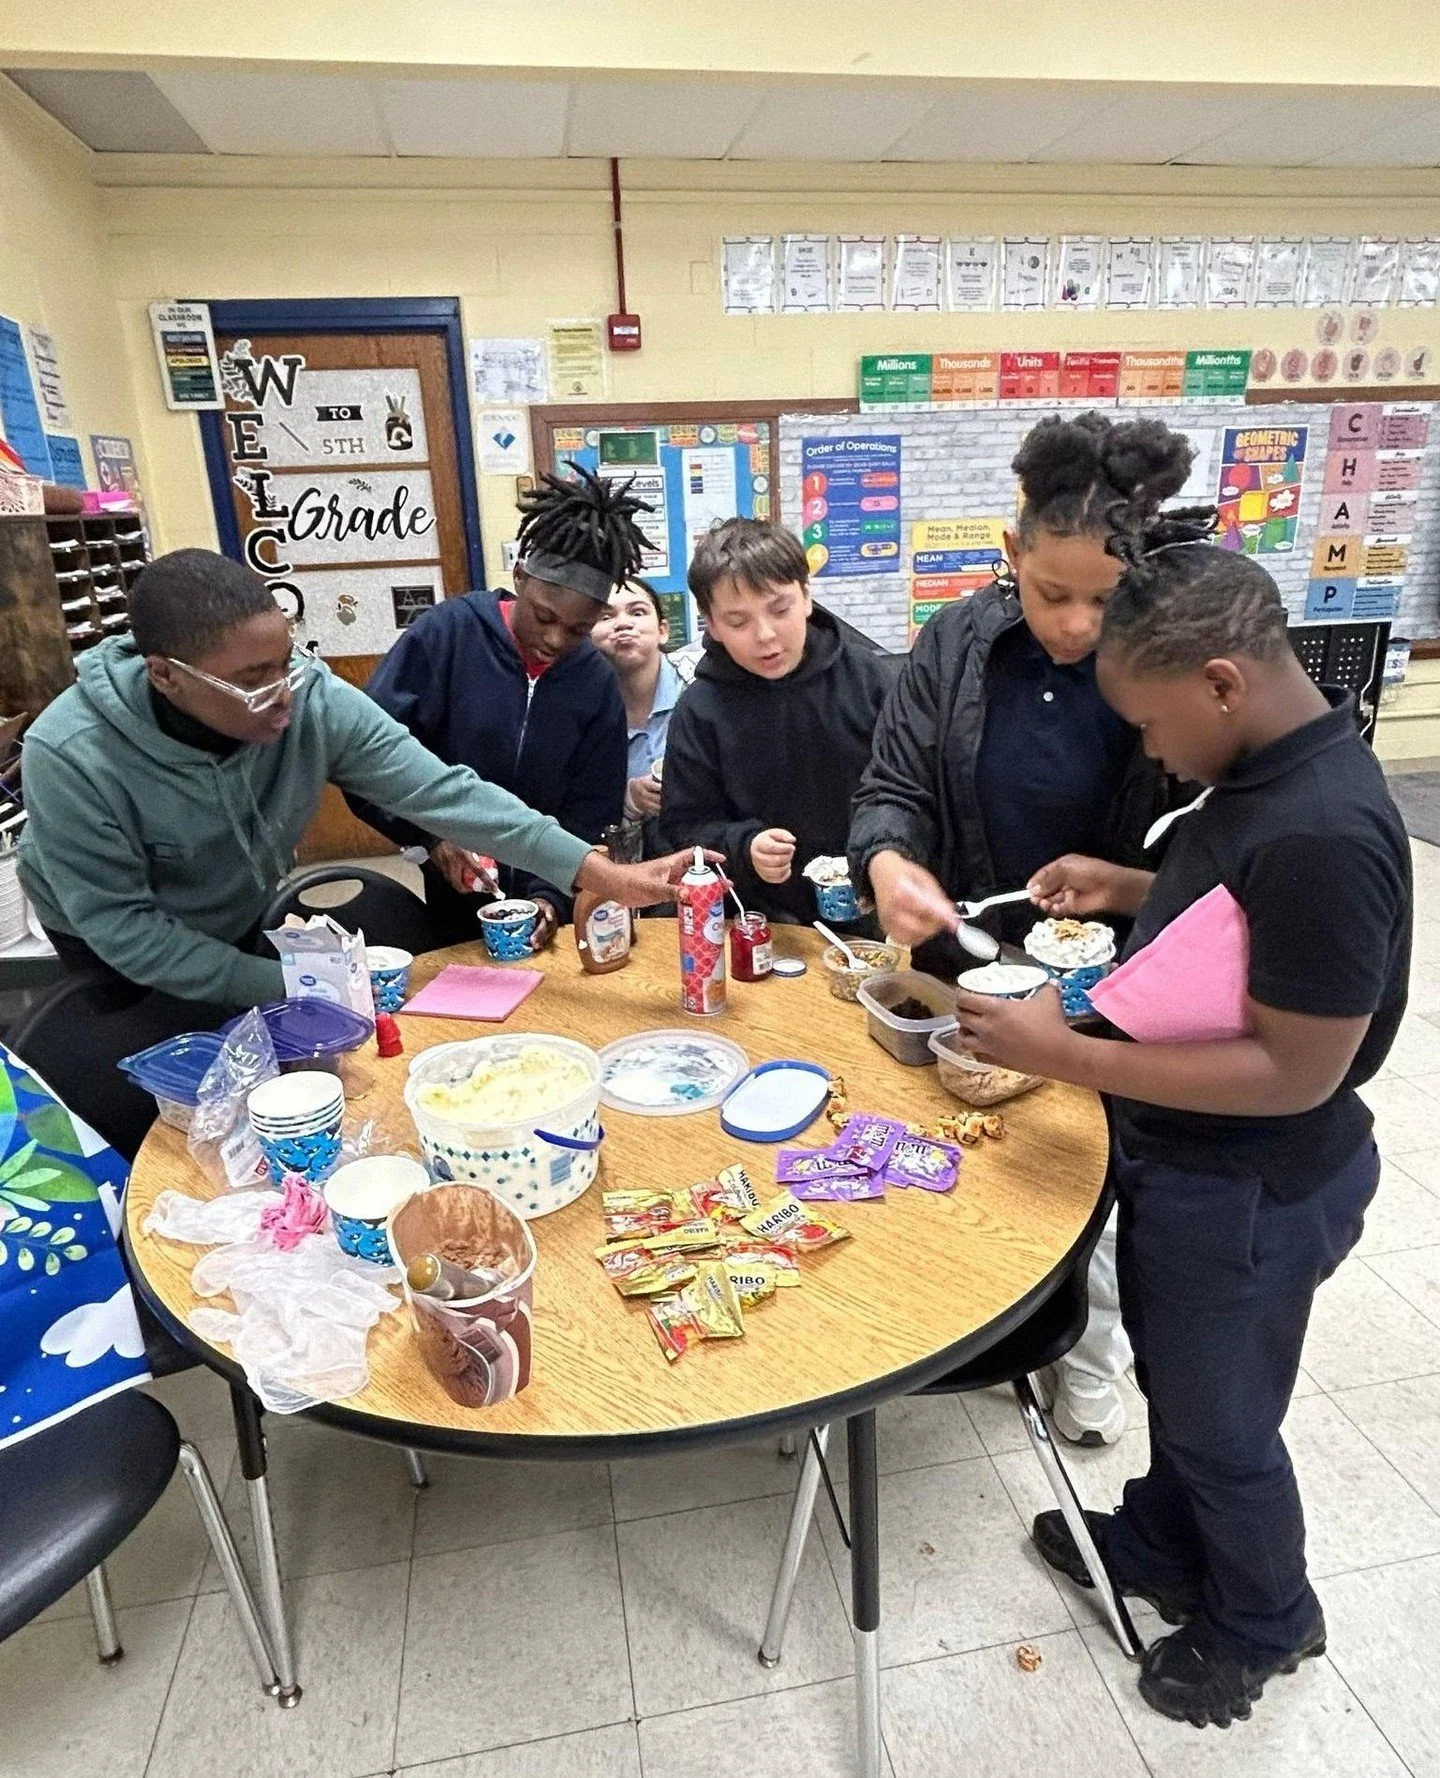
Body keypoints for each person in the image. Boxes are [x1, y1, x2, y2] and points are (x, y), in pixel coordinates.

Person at [952, 525, 1410, 1729]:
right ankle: (1161, 1534)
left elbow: (1297, 1068)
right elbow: (1236, 900)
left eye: (1150, 728)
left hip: (1260, 1180)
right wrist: (1126, 884)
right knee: (1177, 1371)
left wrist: (1068, 1054)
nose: (1148, 749)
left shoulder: (1323, 828)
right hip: (1194, 1161)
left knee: (1224, 1420)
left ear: (1221, 683)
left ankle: (1268, 1615)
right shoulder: (1264, 773)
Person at [16, 549, 708, 1158]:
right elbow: (129, 933)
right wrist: (298, 990)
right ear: (167, 677)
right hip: (113, 948)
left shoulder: (304, 697)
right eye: (255, 679)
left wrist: (601, 874)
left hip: (233, 905)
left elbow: (445, 794)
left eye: (286, 662)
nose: (285, 693)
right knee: (164, 1102)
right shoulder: (71, 754)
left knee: (264, 1077)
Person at [848, 412, 1197, 1448]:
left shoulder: (1166, 656)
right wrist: (888, 861)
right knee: (972, 1151)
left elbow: (1209, 843)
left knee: (1086, 1166)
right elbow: (892, 784)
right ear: (1011, 556)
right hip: (968, 953)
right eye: (1052, 593)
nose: (1079, 624)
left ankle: (1086, 1365)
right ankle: (962, 1324)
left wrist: (1131, 886)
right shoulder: (957, 642)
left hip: (1110, 976)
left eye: (1105, 596)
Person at [353, 465, 640, 947]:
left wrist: (553, 897)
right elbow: (369, 757)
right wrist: (431, 838)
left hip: (548, 904)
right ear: (521, 577)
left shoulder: (594, 681)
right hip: (451, 892)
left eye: (577, 630)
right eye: (545, 617)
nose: (554, 639)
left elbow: (590, 810)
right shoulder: (446, 636)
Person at [657, 517, 898, 926]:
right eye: (738, 622)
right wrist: (744, 847)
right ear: (711, 624)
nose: (765, 634)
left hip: (872, 905)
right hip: (757, 918)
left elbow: (906, 787)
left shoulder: (869, 678)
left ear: (806, 596)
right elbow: (684, 828)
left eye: (780, 609)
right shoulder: (700, 708)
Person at [589, 581, 688, 857]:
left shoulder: (697, 689)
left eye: (637, 612)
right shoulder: (582, 715)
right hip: (628, 873)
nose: (622, 624)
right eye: (606, 616)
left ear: (663, 631)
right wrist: (630, 800)